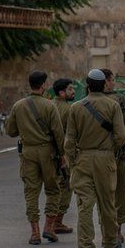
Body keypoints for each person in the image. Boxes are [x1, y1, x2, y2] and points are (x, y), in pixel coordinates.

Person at [64, 69, 125, 248]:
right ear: (103, 85)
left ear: (88, 86)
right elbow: (121, 137)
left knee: (85, 205)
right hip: (106, 159)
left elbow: (69, 142)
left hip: (83, 159)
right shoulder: (113, 105)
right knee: (107, 204)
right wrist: (111, 152)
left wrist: (73, 161)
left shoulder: (76, 107)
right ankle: (109, 242)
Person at [5, 70, 66, 245]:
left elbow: (10, 131)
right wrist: (62, 155)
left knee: (31, 192)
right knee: (53, 190)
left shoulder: (18, 106)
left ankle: (34, 232)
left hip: (28, 152)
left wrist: (26, 129)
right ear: (44, 85)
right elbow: (58, 133)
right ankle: (49, 227)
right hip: (48, 152)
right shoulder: (49, 105)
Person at [101, 68, 125, 246]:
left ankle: (106, 231)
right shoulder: (119, 100)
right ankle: (116, 231)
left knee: (103, 194)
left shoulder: (84, 102)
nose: (113, 82)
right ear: (106, 81)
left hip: (95, 156)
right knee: (119, 193)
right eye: (112, 79)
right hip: (117, 153)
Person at [51, 78, 76, 234]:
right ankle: (57, 221)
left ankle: (50, 222)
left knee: (52, 188)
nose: (73, 91)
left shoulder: (49, 105)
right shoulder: (69, 109)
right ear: (62, 93)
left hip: (47, 152)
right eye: (70, 89)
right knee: (66, 186)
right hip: (63, 154)